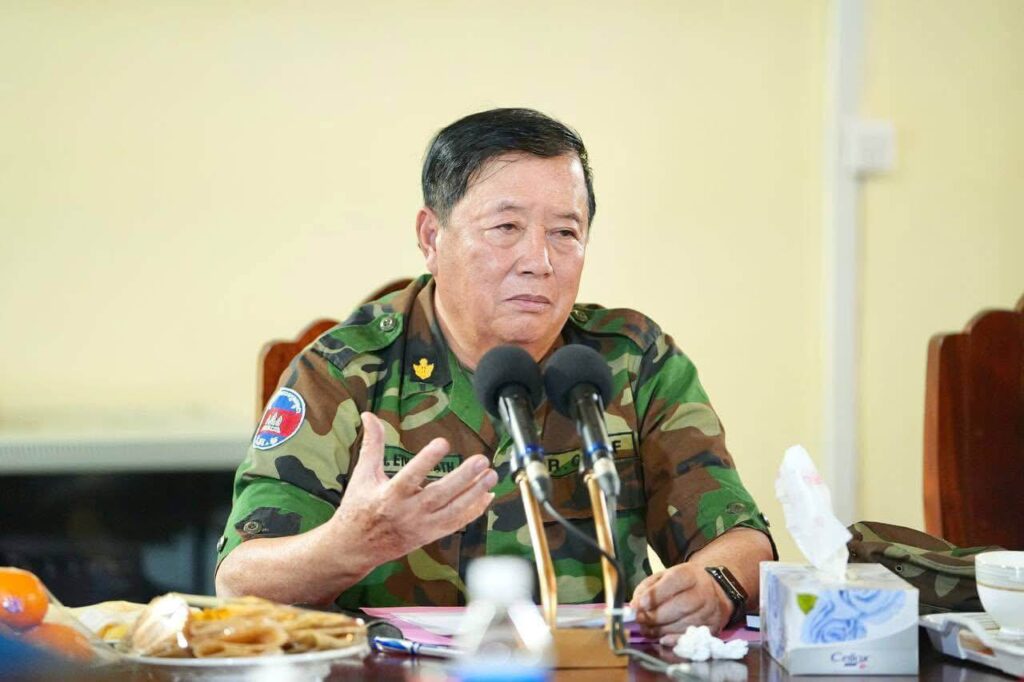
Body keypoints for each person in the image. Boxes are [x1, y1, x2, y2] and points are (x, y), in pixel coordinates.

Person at [215, 108, 775, 640]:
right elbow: (240, 580)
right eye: (506, 226)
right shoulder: (344, 369)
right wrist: (352, 544)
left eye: (565, 232)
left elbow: (743, 538)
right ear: (431, 237)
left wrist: (714, 585)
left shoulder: (630, 361)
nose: (539, 261)